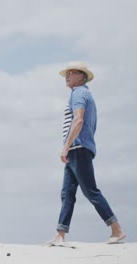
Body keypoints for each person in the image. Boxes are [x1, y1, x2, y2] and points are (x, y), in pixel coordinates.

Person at [51, 61, 126, 244]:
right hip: (77, 149)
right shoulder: (84, 94)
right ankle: (60, 235)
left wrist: (66, 146)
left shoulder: (78, 93)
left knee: (90, 191)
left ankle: (116, 229)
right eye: (66, 73)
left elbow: (78, 121)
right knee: (67, 193)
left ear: (81, 76)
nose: (67, 76)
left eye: (71, 72)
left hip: (77, 148)